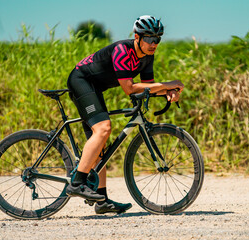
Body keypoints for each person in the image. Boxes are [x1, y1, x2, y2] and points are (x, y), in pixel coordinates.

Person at [66, 15, 184, 214]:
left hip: (95, 88)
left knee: (100, 141)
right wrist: (168, 85)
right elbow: (129, 88)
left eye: (157, 39)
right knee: (103, 128)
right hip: (81, 81)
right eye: (149, 38)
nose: (153, 43)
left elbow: (147, 87)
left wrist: (168, 92)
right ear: (137, 37)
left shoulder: (148, 57)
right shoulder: (122, 50)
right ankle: (77, 183)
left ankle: (101, 201)